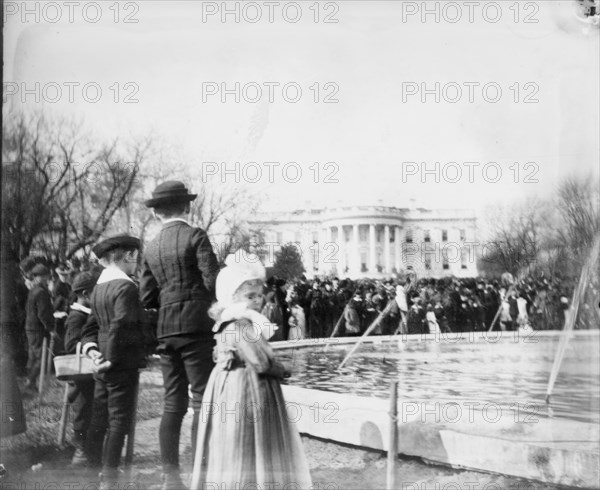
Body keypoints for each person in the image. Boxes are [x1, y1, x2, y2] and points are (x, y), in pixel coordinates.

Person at [191, 253, 312, 490]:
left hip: (227, 384)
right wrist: (284, 369)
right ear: (232, 297)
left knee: (233, 439)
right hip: (246, 386)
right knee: (247, 437)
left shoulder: (229, 323)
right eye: (250, 296)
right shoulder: (240, 324)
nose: (257, 301)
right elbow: (260, 362)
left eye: (259, 295)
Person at [139, 181, 220, 490]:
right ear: (187, 207)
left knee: (173, 403)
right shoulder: (196, 235)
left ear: (157, 212)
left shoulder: (151, 246)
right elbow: (211, 279)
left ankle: (171, 479)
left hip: (166, 330)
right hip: (196, 327)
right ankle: (201, 475)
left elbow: (147, 297)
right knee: (201, 400)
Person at [81, 235, 152, 489]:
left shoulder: (99, 287)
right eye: (136, 258)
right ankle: (109, 480)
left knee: (99, 417)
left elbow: (90, 326)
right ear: (130, 256)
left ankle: (92, 473)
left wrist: (92, 352)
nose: (137, 264)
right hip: (120, 363)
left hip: (101, 362)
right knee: (119, 420)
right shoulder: (126, 287)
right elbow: (121, 325)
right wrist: (110, 359)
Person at [63, 271, 98, 467]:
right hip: (80, 376)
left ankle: (89, 449)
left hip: (89, 374)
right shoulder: (77, 316)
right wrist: (89, 348)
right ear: (86, 294)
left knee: (91, 410)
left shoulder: (85, 314)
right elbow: (70, 345)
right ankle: (81, 450)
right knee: (83, 411)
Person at [24, 264, 55, 389]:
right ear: (40, 277)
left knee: (33, 357)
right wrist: (51, 329)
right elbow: (43, 314)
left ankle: (30, 383)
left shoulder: (33, 290)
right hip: (37, 328)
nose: (47, 278)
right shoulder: (42, 292)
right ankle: (30, 381)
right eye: (45, 276)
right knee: (41, 357)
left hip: (30, 327)